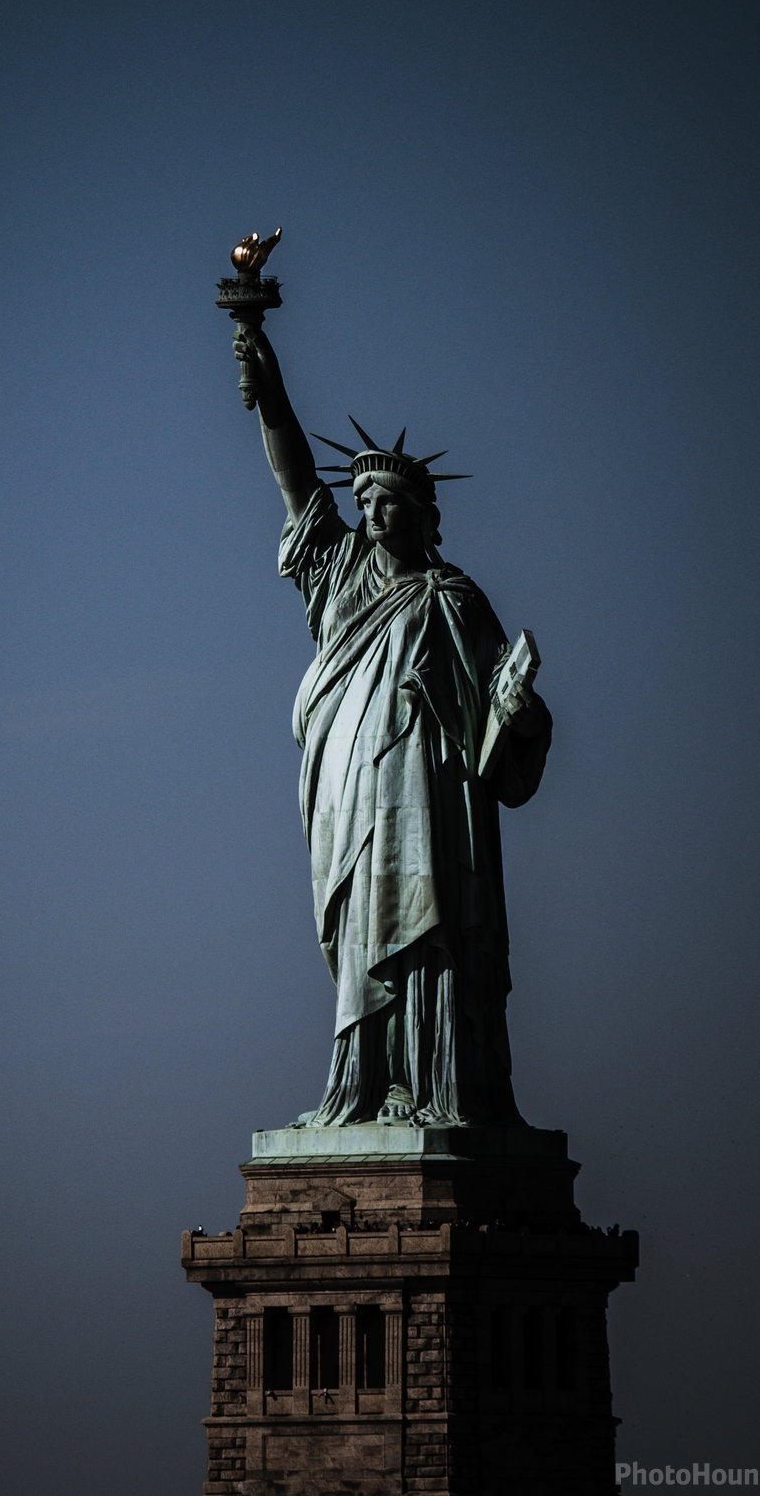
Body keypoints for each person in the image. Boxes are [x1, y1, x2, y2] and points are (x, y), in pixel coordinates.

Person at [233, 325, 552, 1127]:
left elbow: (497, 714)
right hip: (350, 793)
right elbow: (293, 475)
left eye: (388, 502)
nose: (371, 511)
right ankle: (364, 1087)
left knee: (430, 932)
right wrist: (267, 380)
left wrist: (520, 715)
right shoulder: (336, 570)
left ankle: (437, 1086)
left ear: (421, 515)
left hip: (431, 801)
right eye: (363, 500)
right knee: (361, 934)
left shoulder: (454, 598)